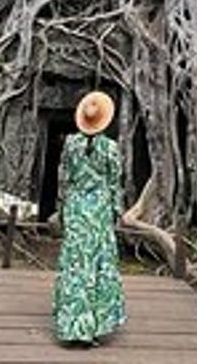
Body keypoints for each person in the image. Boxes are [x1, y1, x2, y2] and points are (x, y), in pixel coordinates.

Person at [52, 90, 126, 345]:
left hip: (75, 209)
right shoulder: (111, 149)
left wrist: (61, 209)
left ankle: (71, 327)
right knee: (97, 264)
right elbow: (115, 183)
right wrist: (117, 211)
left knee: (75, 265)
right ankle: (93, 327)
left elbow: (63, 179)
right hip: (99, 212)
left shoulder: (71, 144)